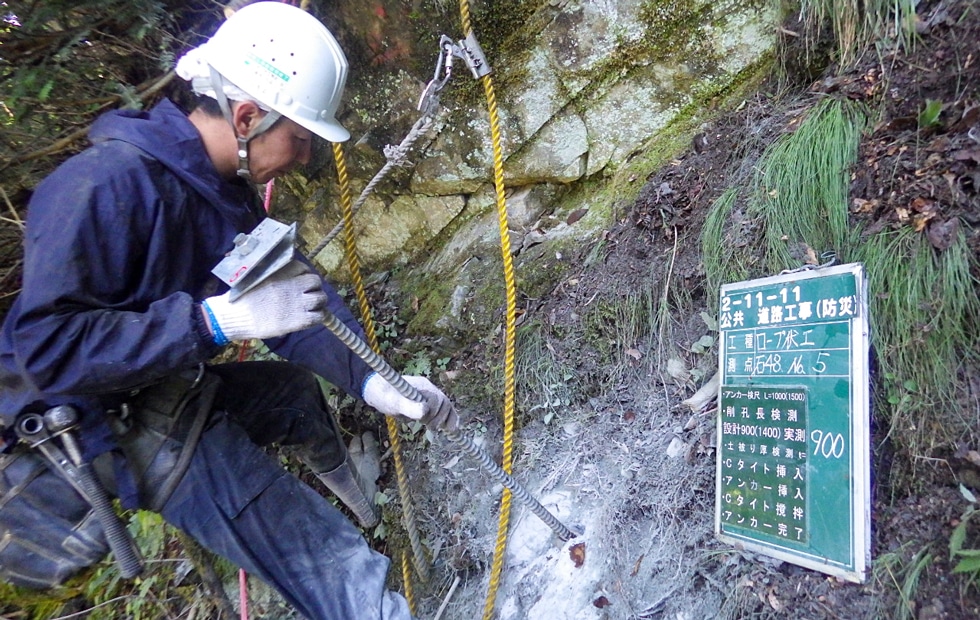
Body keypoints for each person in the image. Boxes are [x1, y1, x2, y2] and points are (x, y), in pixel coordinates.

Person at [0, 2, 457, 618]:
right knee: (334, 564)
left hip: (157, 383)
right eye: (299, 138)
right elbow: (52, 348)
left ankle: (361, 504)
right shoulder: (101, 187)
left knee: (292, 394)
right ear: (247, 116)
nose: (302, 157)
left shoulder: (217, 194)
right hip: (105, 430)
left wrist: (377, 382)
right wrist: (215, 321)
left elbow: (296, 298)